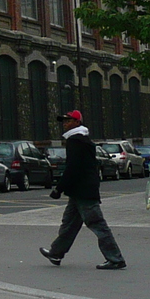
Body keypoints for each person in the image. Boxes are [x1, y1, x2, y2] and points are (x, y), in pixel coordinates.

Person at [41, 110, 126, 270]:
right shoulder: (82, 140)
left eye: (68, 121)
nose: (65, 124)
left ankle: (115, 258)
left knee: (97, 223)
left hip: (83, 191)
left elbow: (73, 168)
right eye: (64, 121)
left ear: (77, 122)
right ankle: (56, 253)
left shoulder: (75, 141)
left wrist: (59, 189)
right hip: (80, 190)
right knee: (69, 224)